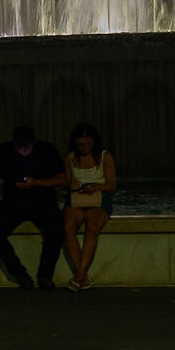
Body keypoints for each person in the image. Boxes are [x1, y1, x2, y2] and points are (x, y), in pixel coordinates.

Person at [0, 124, 68, 290]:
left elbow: (63, 180)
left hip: (42, 200)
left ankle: (45, 275)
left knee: (55, 231)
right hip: (13, 201)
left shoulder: (47, 150)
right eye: (20, 148)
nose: (24, 152)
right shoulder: (4, 151)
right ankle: (20, 274)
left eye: (26, 148)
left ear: (33, 143)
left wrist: (37, 183)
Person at [61, 122, 117, 290]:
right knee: (68, 227)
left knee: (92, 227)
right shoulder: (70, 158)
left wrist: (95, 187)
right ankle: (82, 276)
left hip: (99, 199)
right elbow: (65, 183)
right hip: (76, 199)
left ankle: (79, 275)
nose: (83, 148)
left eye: (87, 144)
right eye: (80, 144)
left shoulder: (104, 157)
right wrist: (70, 185)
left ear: (94, 142)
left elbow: (112, 186)